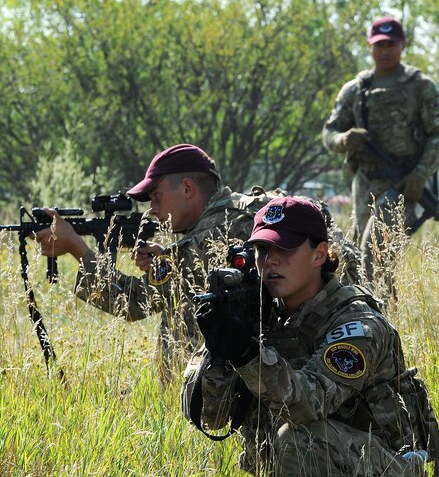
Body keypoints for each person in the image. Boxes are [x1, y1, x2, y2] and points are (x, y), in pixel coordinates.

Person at [184, 196, 439, 477]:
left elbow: (308, 403)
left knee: (298, 437)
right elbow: (212, 418)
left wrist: (246, 352)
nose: (270, 262)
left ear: (319, 254)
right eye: (262, 251)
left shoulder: (358, 323)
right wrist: (220, 352)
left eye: (285, 250)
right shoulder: (267, 316)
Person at [33, 144, 280, 384]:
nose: (152, 210)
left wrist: (77, 248)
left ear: (186, 188)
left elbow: (130, 302)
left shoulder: (202, 241)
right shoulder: (242, 213)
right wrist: (168, 261)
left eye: (157, 197)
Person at [322, 16, 439, 285]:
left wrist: (421, 174)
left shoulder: (421, 87)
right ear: (370, 46)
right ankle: (366, 314)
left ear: (402, 44)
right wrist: (345, 139)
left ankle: (381, 318)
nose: (384, 50)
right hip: (365, 182)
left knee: (375, 253)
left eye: (390, 44)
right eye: (379, 44)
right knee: (355, 258)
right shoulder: (356, 89)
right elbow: (329, 133)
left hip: (402, 184)